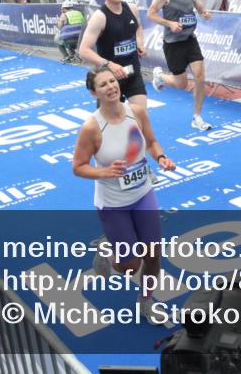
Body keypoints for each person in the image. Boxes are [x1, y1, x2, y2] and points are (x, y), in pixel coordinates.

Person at [72, 66, 176, 325]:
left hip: (142, 194)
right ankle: (108, 252)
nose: (111, 87)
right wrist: (104, 172)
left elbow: (151, 142)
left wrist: (161, 157)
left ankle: (146, 300)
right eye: (103, 84)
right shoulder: (91, 127)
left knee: (153, 253)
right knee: (129, 265)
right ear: (93, 92)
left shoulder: (136, 112)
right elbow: (78, 166)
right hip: (113, 204)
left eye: (112, 81)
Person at [147, 0, 214, 131]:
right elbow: (151, 14)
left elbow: (200, 9)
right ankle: (161, 77)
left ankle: (197, 117)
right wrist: (169, 24)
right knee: (181, 84)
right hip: (172, 43)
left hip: (190, 39)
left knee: (200, 76)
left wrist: (205, 13)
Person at [79, 0, 149, 109]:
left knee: (140, 115)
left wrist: (140, 43)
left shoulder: (132, 8)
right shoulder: (99, 17)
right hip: (109, 79)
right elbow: (83, 51)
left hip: (132, 72)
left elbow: (138, 27)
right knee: (111, 123)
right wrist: (110, 65)